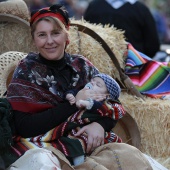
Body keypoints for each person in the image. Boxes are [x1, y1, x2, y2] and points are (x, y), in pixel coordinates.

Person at [2, 3, 125, 169]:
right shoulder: (26, 70)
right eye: (42, 35)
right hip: (41, 146)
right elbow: (25, 127)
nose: (50, 41)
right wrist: (73, 103)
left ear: (66, 36)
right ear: (34, 40)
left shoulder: (82, 66)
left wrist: (100, 125)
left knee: (129, 158)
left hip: (84, 143)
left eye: (55, 33)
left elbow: (113, 103)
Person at [83, 0, 160, 58]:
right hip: (133, 67)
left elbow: (84, 36)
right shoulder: (141, 9)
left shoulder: (94, 6)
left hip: (99, 66)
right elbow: (152, 45)